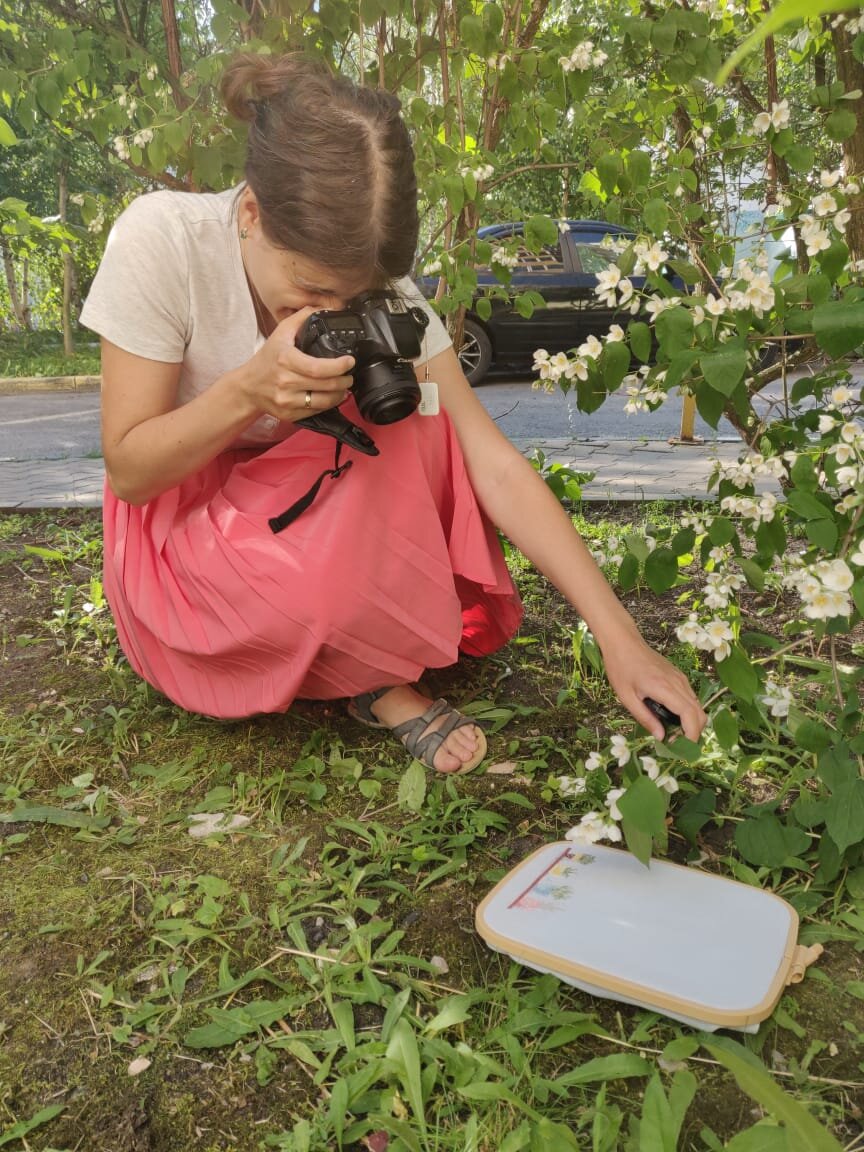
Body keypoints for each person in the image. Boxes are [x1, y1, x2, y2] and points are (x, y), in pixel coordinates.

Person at [81, 52, 706, 777]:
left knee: (422, 414)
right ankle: (366, 669)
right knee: (309, 598)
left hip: (301, 511)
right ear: (250, 213)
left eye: (354, 295)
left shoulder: (383, 290)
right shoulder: (163, 240)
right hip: (185, 526)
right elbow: (129, 471)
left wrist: (620, 637)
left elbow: (492, 464)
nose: (329, 313)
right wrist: (246, 392)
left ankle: (355, 653)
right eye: (309, 288)